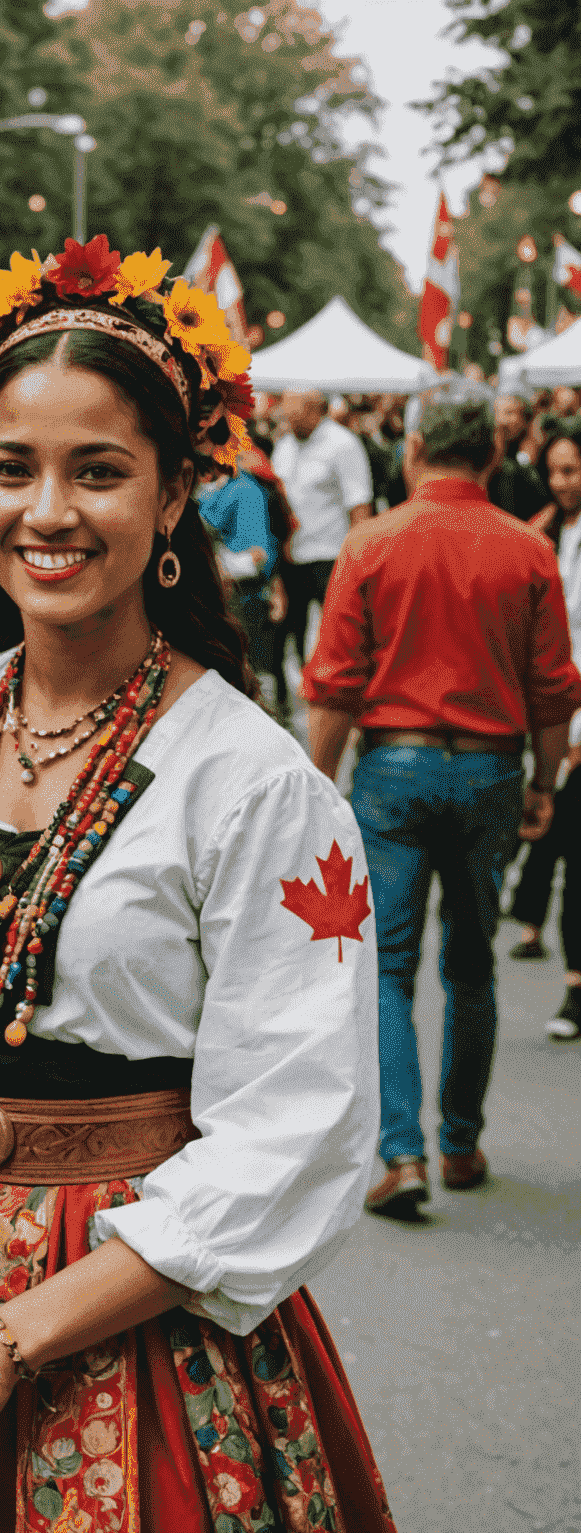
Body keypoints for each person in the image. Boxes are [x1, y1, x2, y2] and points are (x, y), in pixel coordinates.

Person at [0, 240, 393, 1533]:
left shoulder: (252, 783)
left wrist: (8, 1342)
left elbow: (294, 1127)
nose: (49, 513)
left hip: (141, 1305)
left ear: (178, 492)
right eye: (12, 470)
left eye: (101, 472)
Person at [304, 379, 581, 1219]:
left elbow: (336, 683)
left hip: (394, 767)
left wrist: (316, 786)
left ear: (413, 448)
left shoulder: (372, 545)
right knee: (472, 960)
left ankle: (401, 1153)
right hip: (491, 768)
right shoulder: (527, 550)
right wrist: (543, 781)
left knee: (388, 966)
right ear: (495, 455)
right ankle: (460, 1140)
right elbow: (553, 689)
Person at [508, 422, 581, 1039]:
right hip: (555, 719)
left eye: (573, 470)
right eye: (556, 471)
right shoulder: (543, 534)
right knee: (562, 845)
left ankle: (575, 988)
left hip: (575, 721)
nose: (563, 482)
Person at [271, 388, 373, 710]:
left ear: (315, 409)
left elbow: (360, 506)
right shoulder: (285, 445)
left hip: (331, 555)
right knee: (291, 630)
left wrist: (357, 562)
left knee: (339, 632)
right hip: (293, 554)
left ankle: (340, 694)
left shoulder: (343, 444)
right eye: (284, 412)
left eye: (293, 411)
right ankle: (297, 696)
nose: (286, 418)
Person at [195, 461, 278, 699]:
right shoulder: (229, 489)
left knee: (254, 668)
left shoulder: (242, 490)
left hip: (245, 594)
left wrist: (220, 567)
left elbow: (257, 557)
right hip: (233, 593)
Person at [488, 392, 547, 521]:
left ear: (525, 420)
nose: (501, 420)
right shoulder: (489, 459)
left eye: (509, 413)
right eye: (497, 413)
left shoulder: (535, 451)